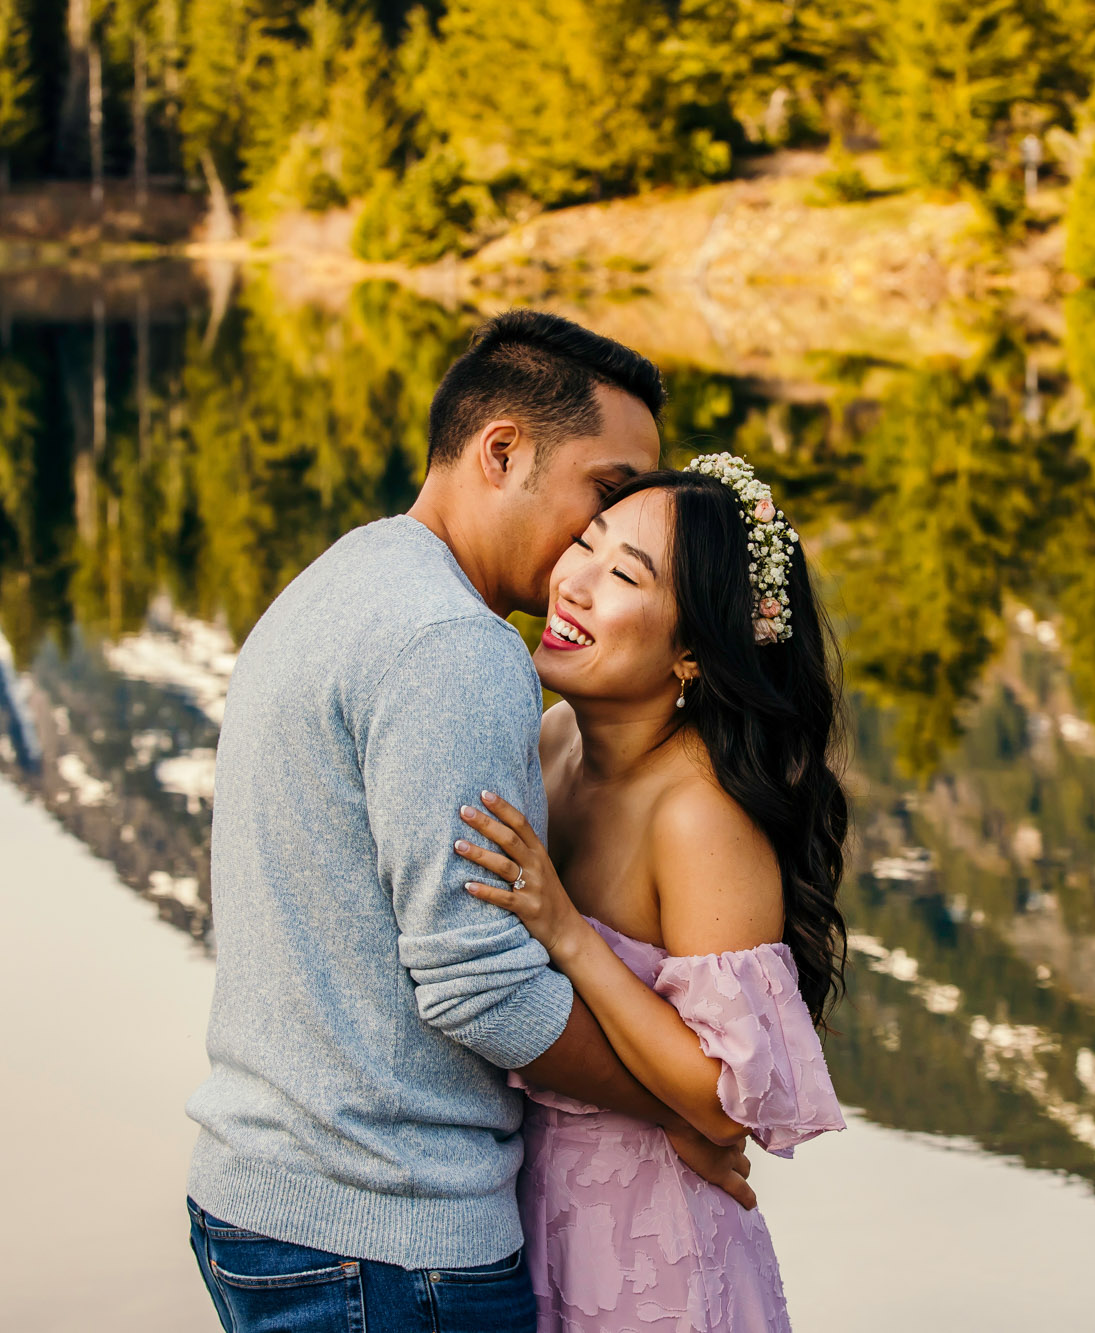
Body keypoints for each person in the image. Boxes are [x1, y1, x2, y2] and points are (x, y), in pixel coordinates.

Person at [184, 312, 755, 1333]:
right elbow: (483, 992)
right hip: (386, 1239)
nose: (595, 542)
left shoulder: (348, 579)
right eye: (604, 496)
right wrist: (677, 1110)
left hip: (268, 1194)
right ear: (502, 451)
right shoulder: (456, 647)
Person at [452, 454, 849, 1332]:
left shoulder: (699, 814)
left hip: (649, 1247)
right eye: (583, 545)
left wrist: (568, 930)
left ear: (694, 652)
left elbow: (720, 1096)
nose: (575, 585)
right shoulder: (550, 739)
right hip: (516, 1211)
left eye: (624, 574)